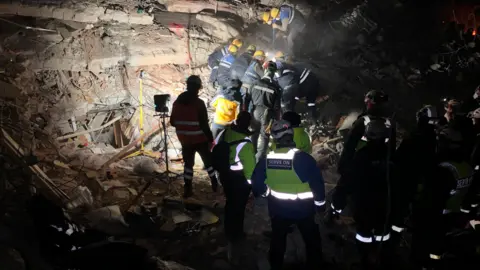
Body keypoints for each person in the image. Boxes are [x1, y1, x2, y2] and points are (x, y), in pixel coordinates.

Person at [251, 120, 325, 270]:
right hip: (304, 210)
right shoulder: (304, 159)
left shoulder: (267, 159)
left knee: (278, 240)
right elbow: (317, 184)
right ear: (291, 136)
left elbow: (257, 184)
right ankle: (315, 265)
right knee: (312, 241)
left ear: (275, 138)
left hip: (278, 210)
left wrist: (265, 194)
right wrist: (320, 205)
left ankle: (276, 265)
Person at [329, 114, 399, 269]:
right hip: (385, 204)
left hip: (364, 205)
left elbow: (347, 183)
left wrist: (336, 206)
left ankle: (365, 260)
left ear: (367, 135)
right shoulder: (393, 156)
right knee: (383, 233)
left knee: (364, 233)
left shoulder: (361, 156)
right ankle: (382, 257)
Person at [414, 125, 475, 269]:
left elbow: (433, 197)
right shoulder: (466, 166)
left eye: (441, 142)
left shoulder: (444, 169)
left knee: (428, 249)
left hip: (436, 217)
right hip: (454, 216)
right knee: (440, 249)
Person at [213, 112, 256, 260]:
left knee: (230, 203)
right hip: (238, 179)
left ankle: (228, 230)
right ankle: (236, 234)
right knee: (238, 207)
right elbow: (250, 169)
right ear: (248, 124)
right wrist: (252, 186)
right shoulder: (245, 143)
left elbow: (215, 147)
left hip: (224, 175)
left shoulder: (224, 132)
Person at [393, 105, 440, 237]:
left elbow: (398, 157)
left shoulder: (414, 137)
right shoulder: (435, 137)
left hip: (409, 178)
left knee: (401, 206)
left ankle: (397, 234)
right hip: (426, 179)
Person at [170, 75, 218, 197]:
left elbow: (172, 122)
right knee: (208, 162)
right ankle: (215, 184)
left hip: (185, 140)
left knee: (188, 165)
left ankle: (187, 189)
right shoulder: (199, 103)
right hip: (199, 138)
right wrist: (211, 139)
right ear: (197, 88)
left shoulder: (177, 102)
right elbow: (204, 125)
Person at [249, 61, 282, 161]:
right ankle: (259, 159)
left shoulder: (254, 83)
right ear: (274, 72)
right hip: (267, 115)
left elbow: (248, 99)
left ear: (265, 69)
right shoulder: (276, 88)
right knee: (264, 137)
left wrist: (248, 114)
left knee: (253, 134)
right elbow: (277, 107)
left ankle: (251, 156)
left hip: (254, 112)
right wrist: (276, 121)